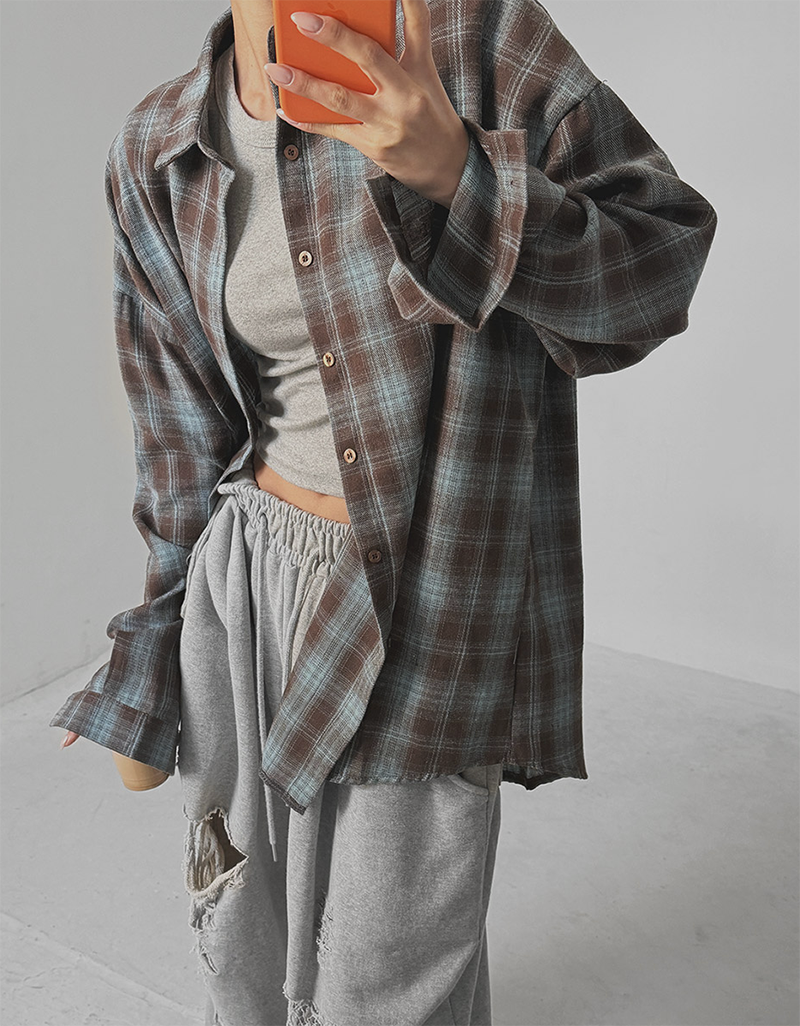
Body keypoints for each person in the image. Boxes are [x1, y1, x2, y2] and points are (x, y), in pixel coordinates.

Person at [50, 0, 718, 1023]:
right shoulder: (158, 145)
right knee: (235, 938)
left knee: (391, 979)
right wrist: (145, 657)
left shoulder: (479, 43)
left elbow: (659, 267)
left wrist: (460, 176)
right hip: (245, 594)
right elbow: (177, 432)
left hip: (431, 595)